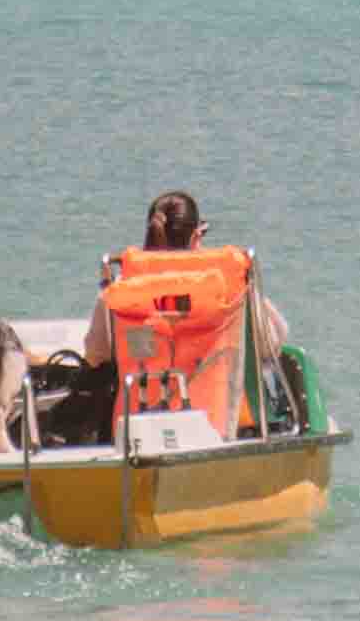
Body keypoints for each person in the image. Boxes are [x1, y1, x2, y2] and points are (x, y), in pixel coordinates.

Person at [77, 187, 258, 438]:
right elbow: (271, 342)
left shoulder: (123, 291)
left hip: (135, 430)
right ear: (195, 237)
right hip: (216, 428)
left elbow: (96, 353)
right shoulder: (229, 289)